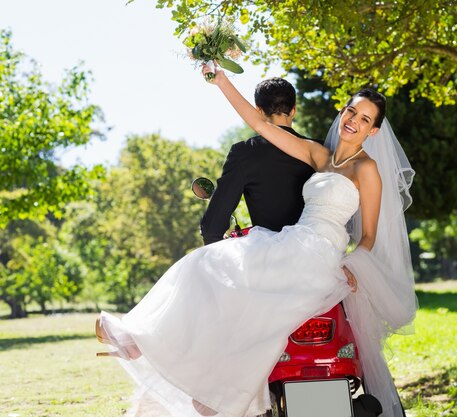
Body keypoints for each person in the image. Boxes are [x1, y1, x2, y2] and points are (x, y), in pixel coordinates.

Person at [95, 64, 416, 417]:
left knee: (226, 276)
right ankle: (148, 344)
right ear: (343, 111)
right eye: (352, 110)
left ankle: (212, 387)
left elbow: (368, 235)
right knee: (210, 269)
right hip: (294, 242)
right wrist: (221, 82)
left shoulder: (366, 169)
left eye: (365, 119)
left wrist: (353, 263)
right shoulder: (320, 157)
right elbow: (262, 125)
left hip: (321, 255)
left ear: (373, 131)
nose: (354, 120)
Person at [200, 77, 318, 245]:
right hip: (316, 256)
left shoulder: (243, 153)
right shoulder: (319, 150)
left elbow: (212, 229)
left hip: (267, 262)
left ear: (258, 111)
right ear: (293, 110)